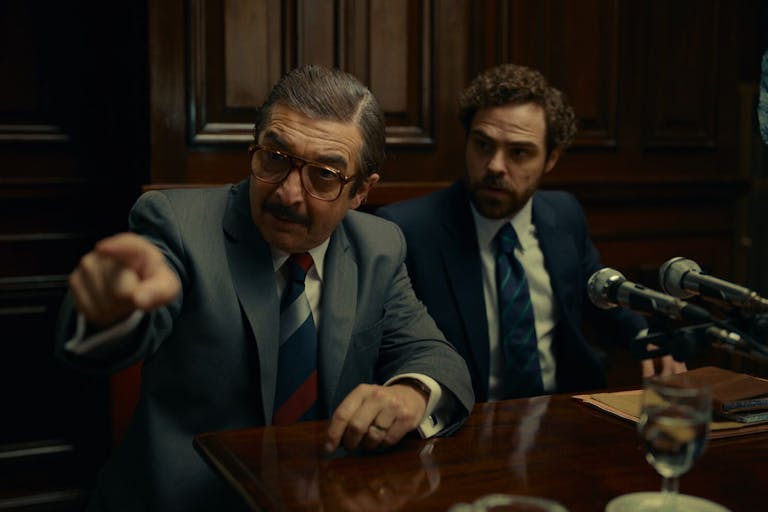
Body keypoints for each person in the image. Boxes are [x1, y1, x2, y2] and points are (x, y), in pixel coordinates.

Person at [56, 65, 474, 511]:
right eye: (275, 158)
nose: (289, 194)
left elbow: (434, 356)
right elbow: (134, 313)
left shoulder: (377, 246)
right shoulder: (178, 224)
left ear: (360, 192)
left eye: (324, 175)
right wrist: (113, 308)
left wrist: (408, 394)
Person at [377, 63, 684, 402]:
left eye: (519, 152)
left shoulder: (564, 215)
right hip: (466, 423)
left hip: (564, 415)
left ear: (551, 159)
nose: (495, 166)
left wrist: (646, 336)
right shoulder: (407, 230)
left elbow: (601, 298)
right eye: (482, 145)